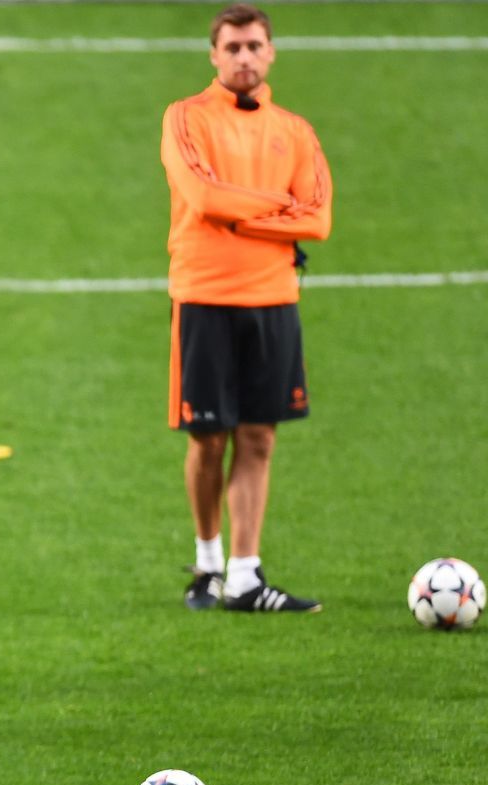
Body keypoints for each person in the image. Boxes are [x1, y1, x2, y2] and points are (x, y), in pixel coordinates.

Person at [163, 4, 332, 611]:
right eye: (231, 47)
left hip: (274, 298)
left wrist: (243, 214)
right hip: (205, 294)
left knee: (259, 437)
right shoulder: (185, 118)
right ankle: (208, 562)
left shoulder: (297, 131)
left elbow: (319, 220)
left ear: (271, 53)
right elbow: (203, 196)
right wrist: (277, 211)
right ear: (213, 55)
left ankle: (245, 576)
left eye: (253, 46)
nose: (242, 57)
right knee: (208, 438)